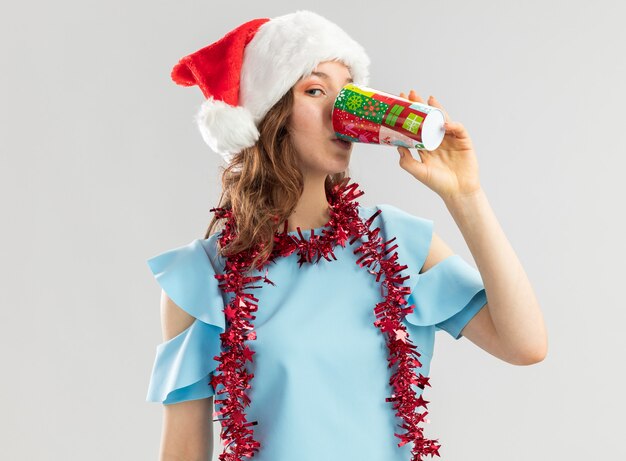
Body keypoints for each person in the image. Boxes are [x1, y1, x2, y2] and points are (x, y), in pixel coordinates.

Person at [145, 10, 548, 461]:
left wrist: (465, 194)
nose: (340, 111)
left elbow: (525, 344)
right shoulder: (199, 279)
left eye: (347, 94)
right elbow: (183, 452)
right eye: (315, 90)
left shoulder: (394, 243)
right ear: (269, 114)